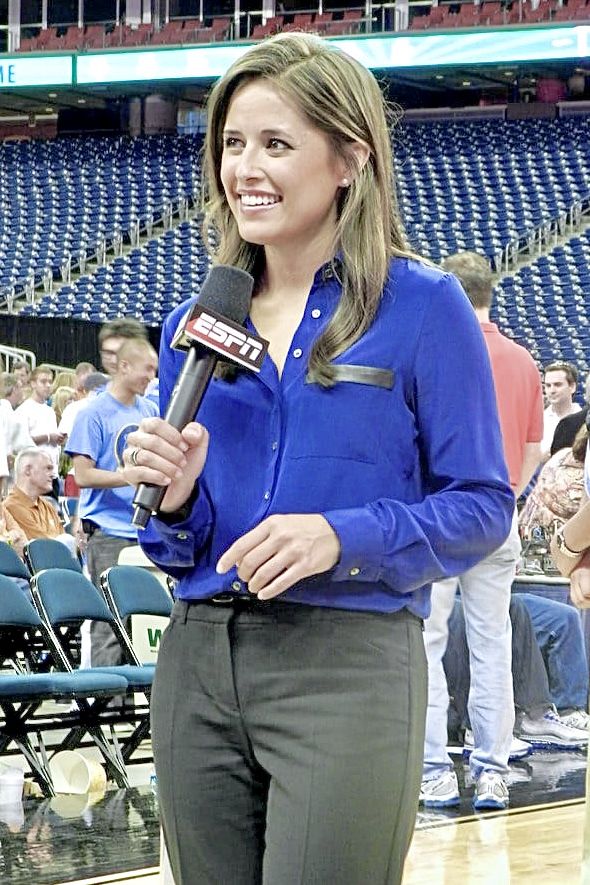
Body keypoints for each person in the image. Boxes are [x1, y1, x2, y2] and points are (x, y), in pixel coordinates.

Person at [120, 33, 513, 885]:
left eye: (275, 143)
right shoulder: (198, 315)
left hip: (348, 660)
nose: (244, 168)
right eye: (231, 142)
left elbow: (484, 504)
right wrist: (181, 502)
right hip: (198, 660)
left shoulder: (424, 305)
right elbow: (172, 543)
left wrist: (342, 534)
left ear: (348, 159)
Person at [421, 251, 543, 811]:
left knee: (428, 642)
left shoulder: (443, 347)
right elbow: (534, 448)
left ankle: (434, 770)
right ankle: (493, 767)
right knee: (492, 643)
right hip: (498, 517)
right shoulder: (523, 360)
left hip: (444, 515)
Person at [65, 338, 158, 666]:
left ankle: (137, 708)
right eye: (147, 368)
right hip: (107, 532)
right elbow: (84, 475)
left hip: (144, 530)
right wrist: (126, 477)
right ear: (124, 367)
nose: (152, 375)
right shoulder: (93, 412)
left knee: (144, 620)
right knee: (108, 623)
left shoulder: (149, 410)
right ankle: (104, 711)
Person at [445, 594, 588, 750]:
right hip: (437, 587)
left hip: (482, 582)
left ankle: (548, 714)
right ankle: (478, 727)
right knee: (461, 614)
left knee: (560, 617)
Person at [3, 448, 77, 556]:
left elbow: (65, 546)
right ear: (28, 470)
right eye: (48, 468)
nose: (53, 474)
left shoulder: (48, 505)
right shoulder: (11, 506)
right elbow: (45, 547)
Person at [541, 360, 580, 460]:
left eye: (557, 385)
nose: (552, 390)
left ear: (572, 387)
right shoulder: (537, 420)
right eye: (548, 385)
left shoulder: (583, 420)